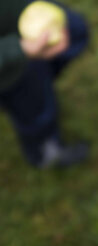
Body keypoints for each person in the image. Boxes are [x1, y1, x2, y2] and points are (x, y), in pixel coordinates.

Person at [0, 0, 89, 168]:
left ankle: (43, 81)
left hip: (24, 12)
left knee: (76, 32)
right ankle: (45, 153)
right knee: (34, 108)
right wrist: (16, 50)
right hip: (8, 67)